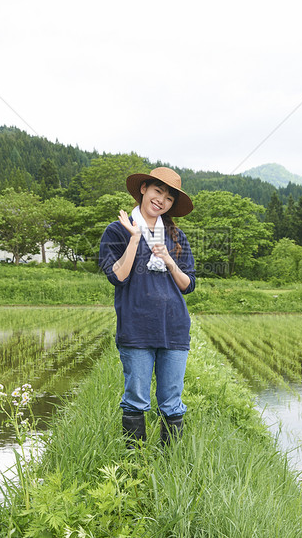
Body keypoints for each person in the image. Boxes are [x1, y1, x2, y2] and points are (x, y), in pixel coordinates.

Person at [98, 167, 196, 447]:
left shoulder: (176, 237)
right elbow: (118, 276)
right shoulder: (117, 230)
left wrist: (169, 260)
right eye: (157, 191)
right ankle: (135, 466)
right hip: (136, 328)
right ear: (143, 189)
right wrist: (134, 239)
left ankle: (170, 463)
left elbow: (188, 285)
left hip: (174, 328)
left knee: (172, 402)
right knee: (136, 399)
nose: (161, 200)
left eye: (168, 197)